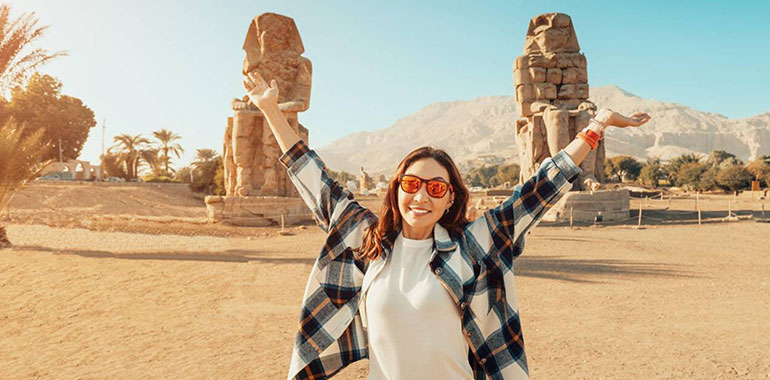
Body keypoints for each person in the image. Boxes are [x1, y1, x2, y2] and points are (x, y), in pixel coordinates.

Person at [242, 72, 650, 380]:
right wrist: (270, 109)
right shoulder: (366, 242)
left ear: (451, 197)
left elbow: (536, 192)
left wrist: (598, 127)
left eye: (436, 187)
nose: (422, 197)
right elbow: (311, 176)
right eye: (412, 184)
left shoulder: (472, 245)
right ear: (396, 189)